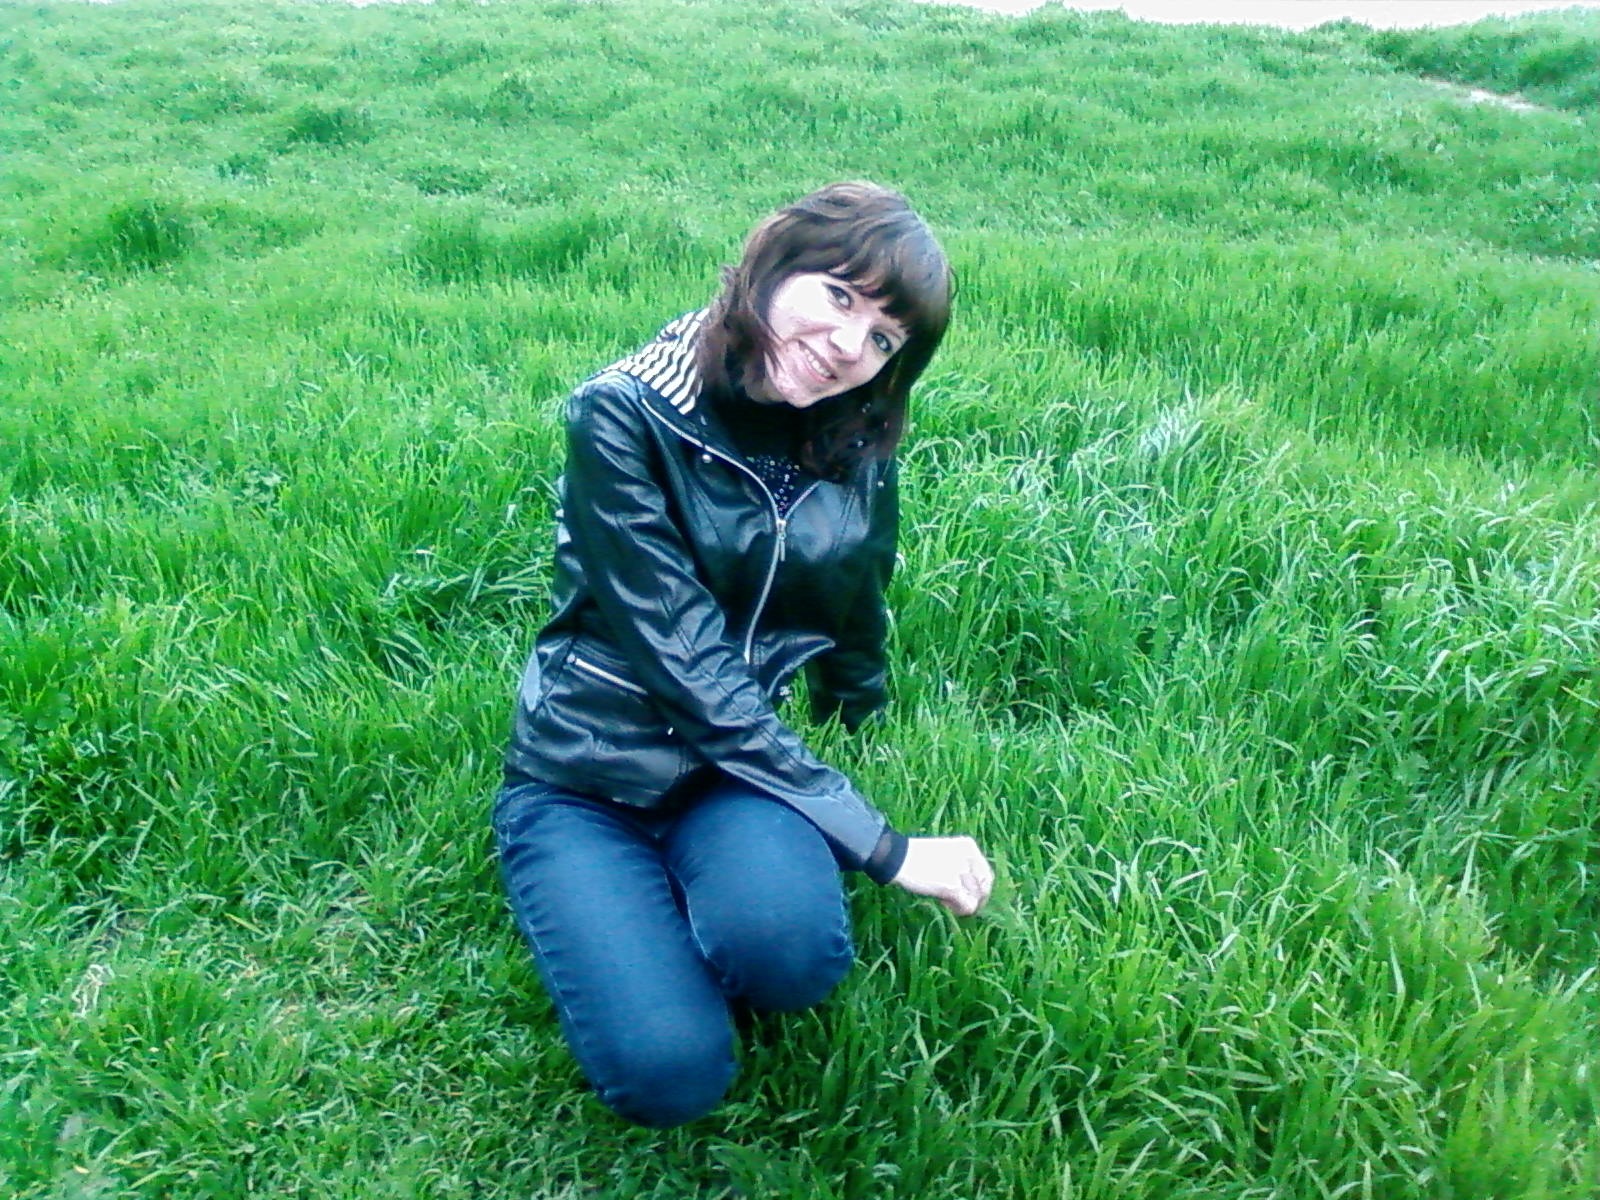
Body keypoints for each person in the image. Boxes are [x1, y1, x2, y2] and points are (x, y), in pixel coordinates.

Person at [493, 181, 995, 1129]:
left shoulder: (852, 431)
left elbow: (857, 590)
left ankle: (710, 896)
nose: (848, 346)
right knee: (670, 1076)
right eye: (838, 295)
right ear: (771, 265)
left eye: (883, 338)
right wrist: (882, 847)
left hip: (733, 775)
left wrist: (858, 710)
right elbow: (684, 660)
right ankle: (608, 902)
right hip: (584, 780)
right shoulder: (626, 414)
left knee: (793, 962)